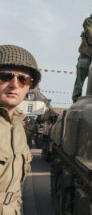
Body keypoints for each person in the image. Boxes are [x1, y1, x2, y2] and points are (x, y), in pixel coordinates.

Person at [0, 44, 41, 214]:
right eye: (5, 76)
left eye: (23, 79)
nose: (14, 84)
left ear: (29, 86)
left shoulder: (17, 128)